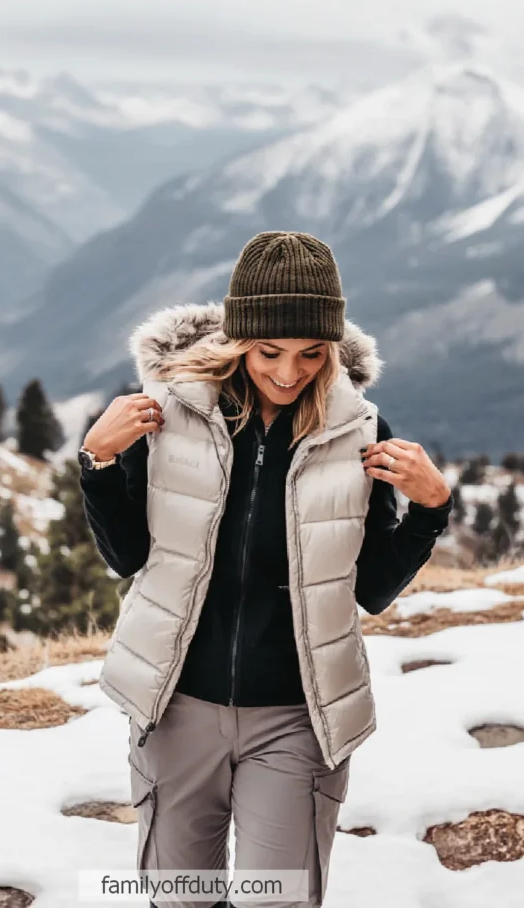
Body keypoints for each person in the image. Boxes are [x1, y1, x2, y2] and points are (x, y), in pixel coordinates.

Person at [79, 231, 453, 908]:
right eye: (269, 352)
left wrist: (429, 510)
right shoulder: (168, 414)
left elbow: (371, 589)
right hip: (175, 707)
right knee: (181, 899)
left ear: (333, 350)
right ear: (237, 340)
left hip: (297, 714)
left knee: (276, 898)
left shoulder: (360, 429)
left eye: (312, 354)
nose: (289, 372)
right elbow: (126, 557)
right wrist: (100, 465)